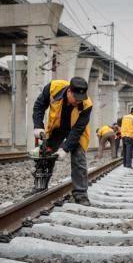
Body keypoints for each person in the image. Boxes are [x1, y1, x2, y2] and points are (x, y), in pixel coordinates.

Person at [33, 77, 92, 206]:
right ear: (69, 91)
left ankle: (81, 194)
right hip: (57, 127)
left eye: (80, 99)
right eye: (76, 99)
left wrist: (65, 149)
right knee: (45, 155)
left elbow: (77, 130)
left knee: (79, 159)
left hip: (76, 130)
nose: (78, 102)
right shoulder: (53, 88)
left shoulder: (87, 104)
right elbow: (39, 106)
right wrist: (38, 125)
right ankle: (39, 187)